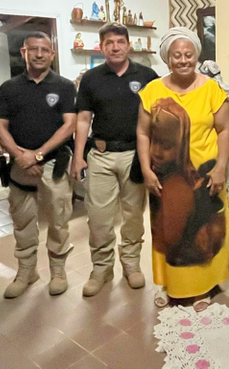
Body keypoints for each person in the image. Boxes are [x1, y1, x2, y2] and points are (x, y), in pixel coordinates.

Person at [136, 27, 229, 312]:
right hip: (163, 178)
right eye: (176, 55)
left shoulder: (212, 90)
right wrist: (146, 169)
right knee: (168, 231)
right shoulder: (151, 91)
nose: (183, 60)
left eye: (188, 55)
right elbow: (142, 133)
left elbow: (225, 129)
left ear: (196, 57)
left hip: (207, 175)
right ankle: (169, 285)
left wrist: (221, 168)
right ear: (167, 58)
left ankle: (203, 287)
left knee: (202, 228)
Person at [71, 22, 158, 297]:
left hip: (136, 156)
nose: (115, 47)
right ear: (102, 46)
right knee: (98, 218)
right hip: (101, 155)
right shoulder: (91, 78)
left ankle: (131, 265)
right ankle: (101, 268)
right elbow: (83, 119)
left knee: (133, 217)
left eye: (120, 42)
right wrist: (77, 156)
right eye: (109, 42)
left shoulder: (147, 75)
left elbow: (159, 117)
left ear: (129, 45)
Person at [0, 32, 76, 298]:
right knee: (22, 220)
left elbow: (69, 125)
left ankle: (58, 271)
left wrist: (38, 155)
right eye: (34, 49)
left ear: (52, 54)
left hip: (54, 164)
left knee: (59, 220)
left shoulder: (64, 86)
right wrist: (21, 156)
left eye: (45, 50)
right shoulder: (9, 87)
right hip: (19, 165)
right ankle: (26, 271)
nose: (39, 54)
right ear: (24, 52)